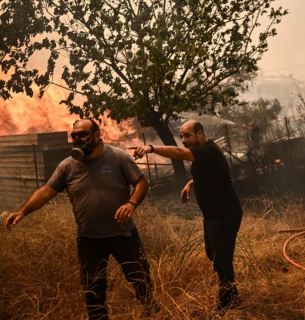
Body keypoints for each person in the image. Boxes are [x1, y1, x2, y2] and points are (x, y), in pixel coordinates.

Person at [5, 119, 159, 320]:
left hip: (123, 235)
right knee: (93, 289)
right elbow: (46, 191)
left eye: (82, 135)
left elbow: (141, 183)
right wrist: (22, 212)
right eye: (74, 135)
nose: (77, 139)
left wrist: (131, 204)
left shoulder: (117, 157)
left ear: (96, 135)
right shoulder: (67, 166)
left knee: (140, 280)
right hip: (89, 240)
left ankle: (152, 311)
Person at [132, 119, 243, 316]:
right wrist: (191, 183)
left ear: (200, 134)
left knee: (221, 258)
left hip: (225, 213)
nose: (183, 140)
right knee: (213, 253)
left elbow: (178, 153)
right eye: (182, 136)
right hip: (212, 214)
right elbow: (208, 172)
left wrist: (150, 148)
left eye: (187, 136)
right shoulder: (204, 154)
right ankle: (231, 290)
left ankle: (228, 301)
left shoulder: (207, 150)